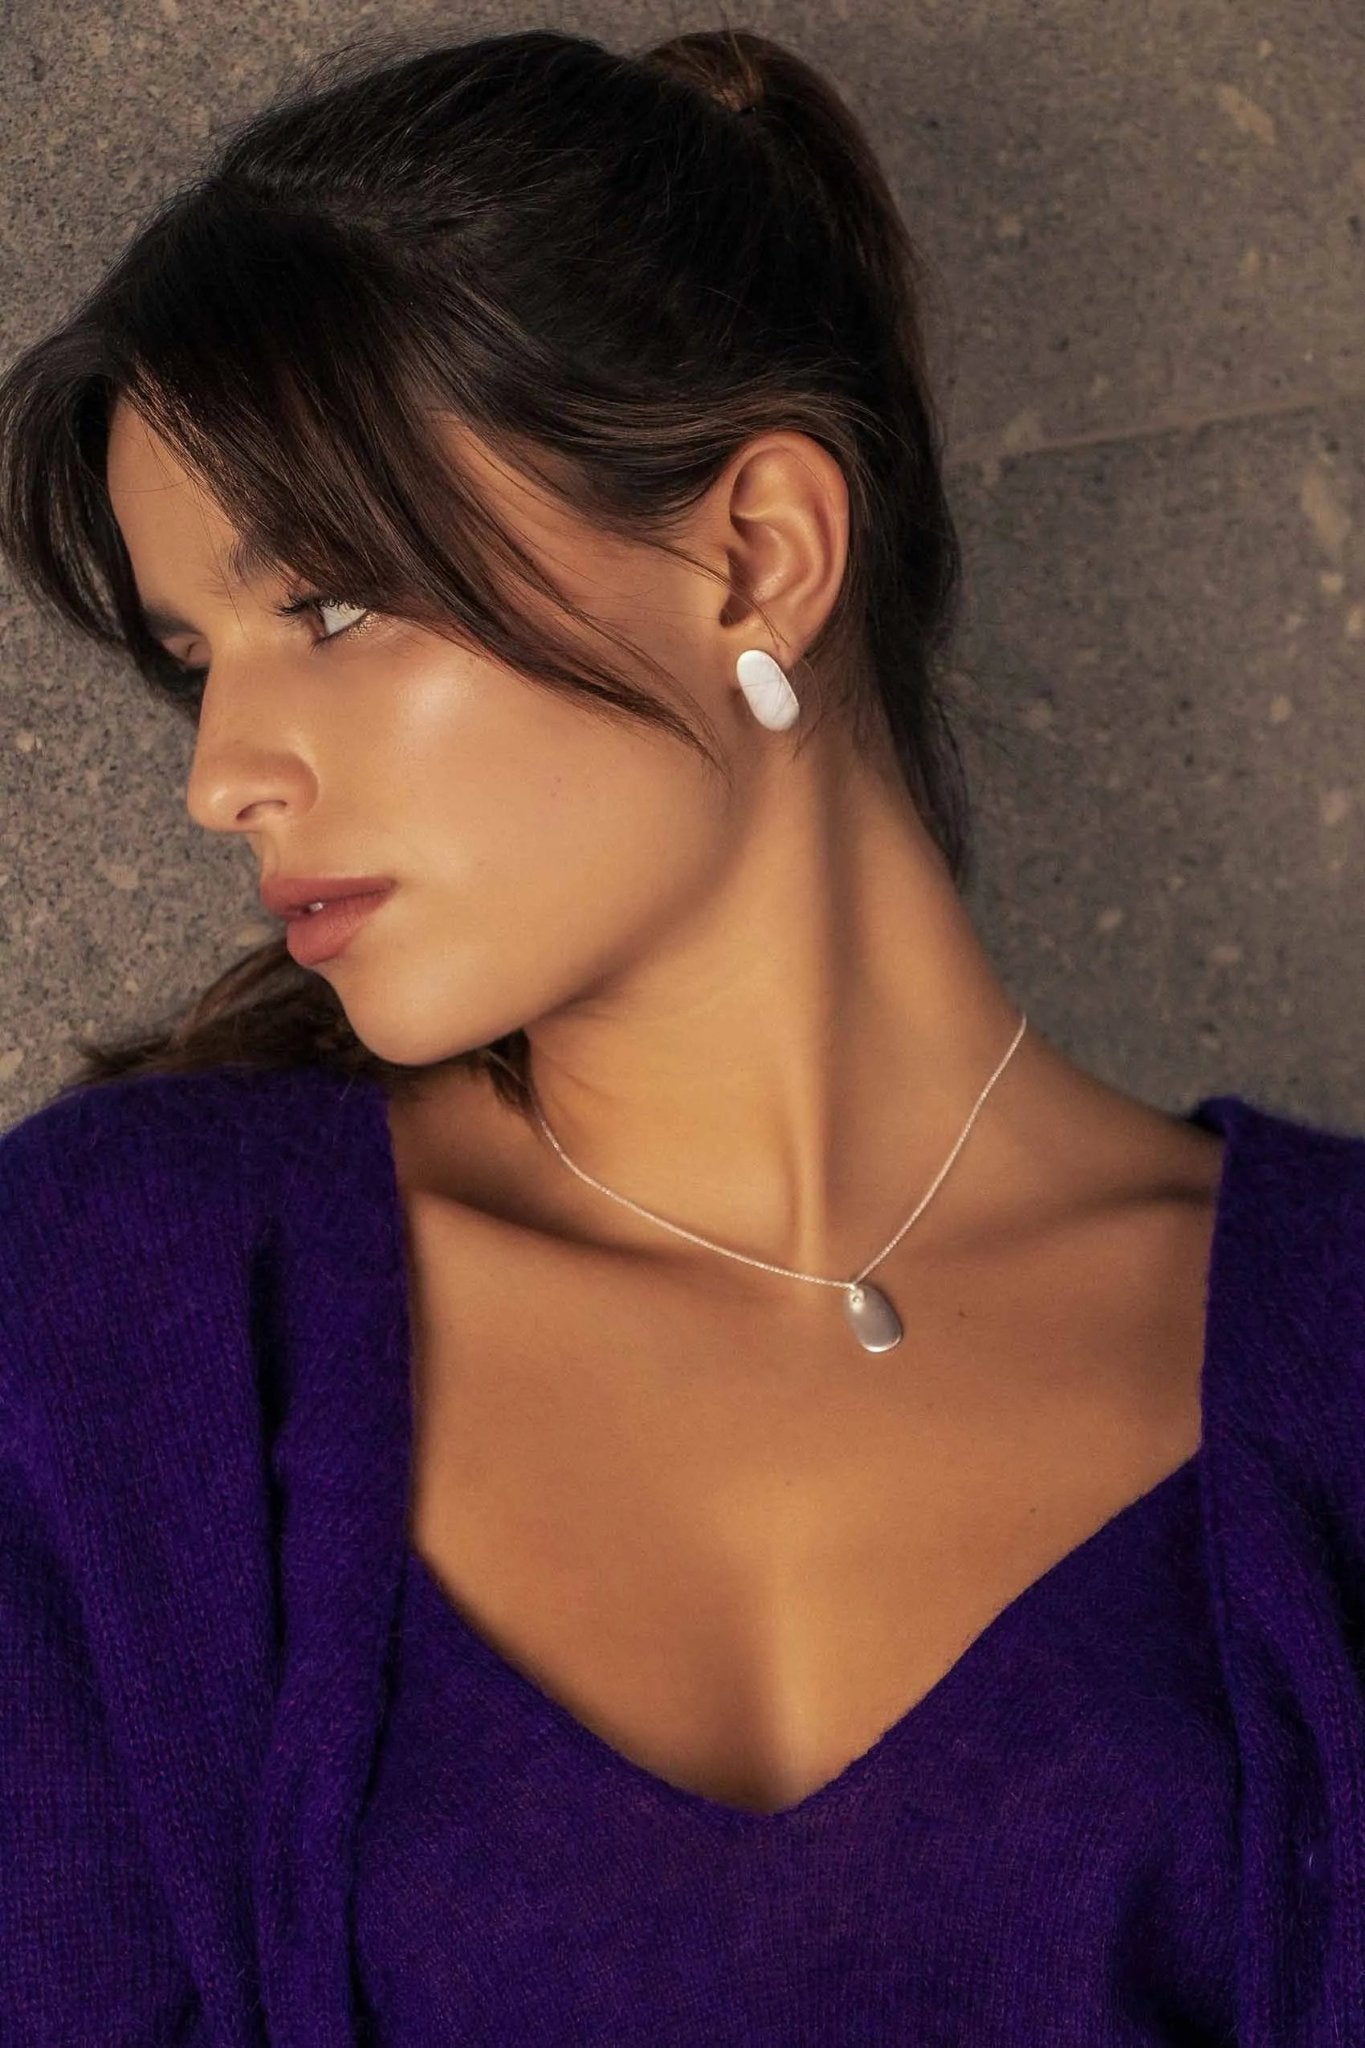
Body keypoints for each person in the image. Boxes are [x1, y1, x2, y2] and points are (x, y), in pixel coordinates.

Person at [1, 23, 1363, 2048]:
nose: (221, 776)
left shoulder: (1332, 1342)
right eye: (198, 656)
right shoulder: (127, 1319)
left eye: (332, 609)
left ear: (754, 555)